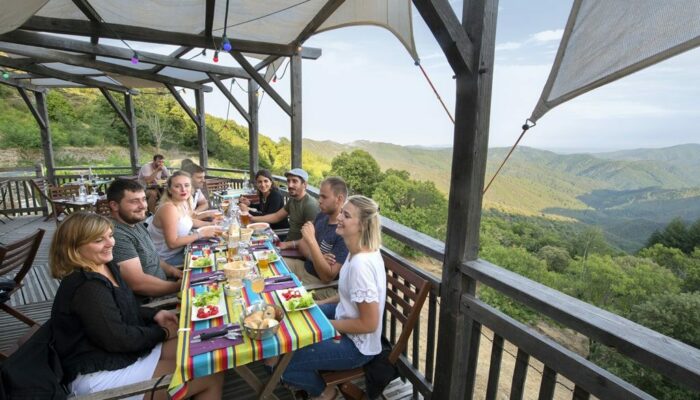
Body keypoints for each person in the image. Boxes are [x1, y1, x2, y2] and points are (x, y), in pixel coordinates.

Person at [50, 212, 223, 399]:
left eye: (110, 235)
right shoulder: (86, 287)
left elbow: (118, 309)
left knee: (207, 350)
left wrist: (154, 314)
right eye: (99, 240)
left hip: (124, 352)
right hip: (102, 373)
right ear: (74, 247)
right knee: (209, 374)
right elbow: (118, 338)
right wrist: (163, 332)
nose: (110, 243)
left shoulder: (105, 265)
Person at [281, 195, 386, 400]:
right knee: (297, 317)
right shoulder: (354, 251)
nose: (339, 217)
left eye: (346, 215)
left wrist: (324, 325)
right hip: (343, 317)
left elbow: (369, 324)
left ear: (363, 225)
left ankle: (325, 392)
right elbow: (347, 296)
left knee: (286, 364)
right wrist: (318, 303)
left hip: (358, 347)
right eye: (341, 212)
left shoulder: (361, 265)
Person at [107, 179, 181, 302]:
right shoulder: (116, 236)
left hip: (166, 285)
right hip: (154, 302)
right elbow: (138, 284)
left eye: (143, 199)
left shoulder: (137, 223)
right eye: (134, 201)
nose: (143, 206)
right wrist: (179, 286)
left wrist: (175, 272)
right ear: (114, 205)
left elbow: (153, 258)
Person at [284, 177, 348, 300]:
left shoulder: (343, 231)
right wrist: (317, 258)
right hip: (303, 267)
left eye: (324, 197)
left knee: (280, 294)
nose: (319, 201)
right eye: (320, 196)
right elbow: (302, 244)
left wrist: (311, 242)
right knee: (268, 269)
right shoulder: (322, 216)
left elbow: (326, 277)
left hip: (320, 284)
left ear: (339, 199)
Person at [147, 171, 222, 267]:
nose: (183, 189)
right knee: (215, 258)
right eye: (177, 186)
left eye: (187, 185)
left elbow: (188, 221)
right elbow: (172, 243)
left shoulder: (183, 202)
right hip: (166, 259)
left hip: (182, 249)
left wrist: (210, 225)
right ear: (169, 190)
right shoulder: (169, 209)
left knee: (215, 248)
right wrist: (201, 234)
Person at [241, 168, 319, 242]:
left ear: (304, 184)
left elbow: (312, 239)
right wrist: (251, 217)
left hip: (295, 247)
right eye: (288, 181)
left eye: (294, 181)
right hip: (288, 241)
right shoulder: (292, 200)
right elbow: (276, 216)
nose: (290, 185)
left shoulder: (310, 205)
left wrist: (287, 245)